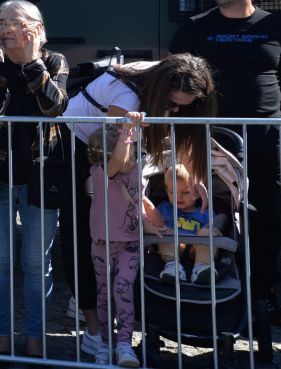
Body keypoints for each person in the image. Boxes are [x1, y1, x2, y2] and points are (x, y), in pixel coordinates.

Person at [60, 53, 217, 357]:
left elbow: (135, 166)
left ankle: (118, 333)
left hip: (119, 154)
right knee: (83, 231)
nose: (174, 112)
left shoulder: (161, 84)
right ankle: (93, 330)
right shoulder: (127, 96)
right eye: (171, 104)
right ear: (159, 91)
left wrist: (187, 178)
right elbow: (116, 162)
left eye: (185, 107)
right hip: (84, 147)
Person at [168, 0, 281, 320]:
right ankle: (213, 288)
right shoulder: (193, 27)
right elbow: (171, 81)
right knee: (213, 211)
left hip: (264, 138)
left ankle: (264, 293)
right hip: (210, 139)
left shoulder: (277, 25)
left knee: (266, 216)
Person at [0, 0, 68, 359]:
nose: (6, 28)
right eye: (1, 22)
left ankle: (35, 338)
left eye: (16, 22)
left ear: (38, 29)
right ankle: (0, 336)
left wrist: (31, 61)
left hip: (40, 176)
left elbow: (53, 107)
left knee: (35, 262)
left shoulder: (55, 61)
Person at [86, 116, 147, 368]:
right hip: (102, 242)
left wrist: (150, 220)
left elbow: (140, 199)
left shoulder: (139, 167)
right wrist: (128, 129)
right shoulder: (101, 172)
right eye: (125, 151)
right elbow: (119, 161)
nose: (129, 159)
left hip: (130, 242)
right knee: (103, 294)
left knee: (122, 287)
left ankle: (124, 344)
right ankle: (104, 343)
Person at [144, 162, 224, 286]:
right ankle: (173, 266)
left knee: (207, 232)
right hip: (172, 248)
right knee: (164, 231)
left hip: (197, 247)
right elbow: (151, 219)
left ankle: (202, 268)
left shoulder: (204, 212)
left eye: (186, 192)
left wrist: (216, 228)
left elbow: (220, 220)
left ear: (198, 192)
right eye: (172, 192)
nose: (179, 197)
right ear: (166, 191)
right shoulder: (163, 209)